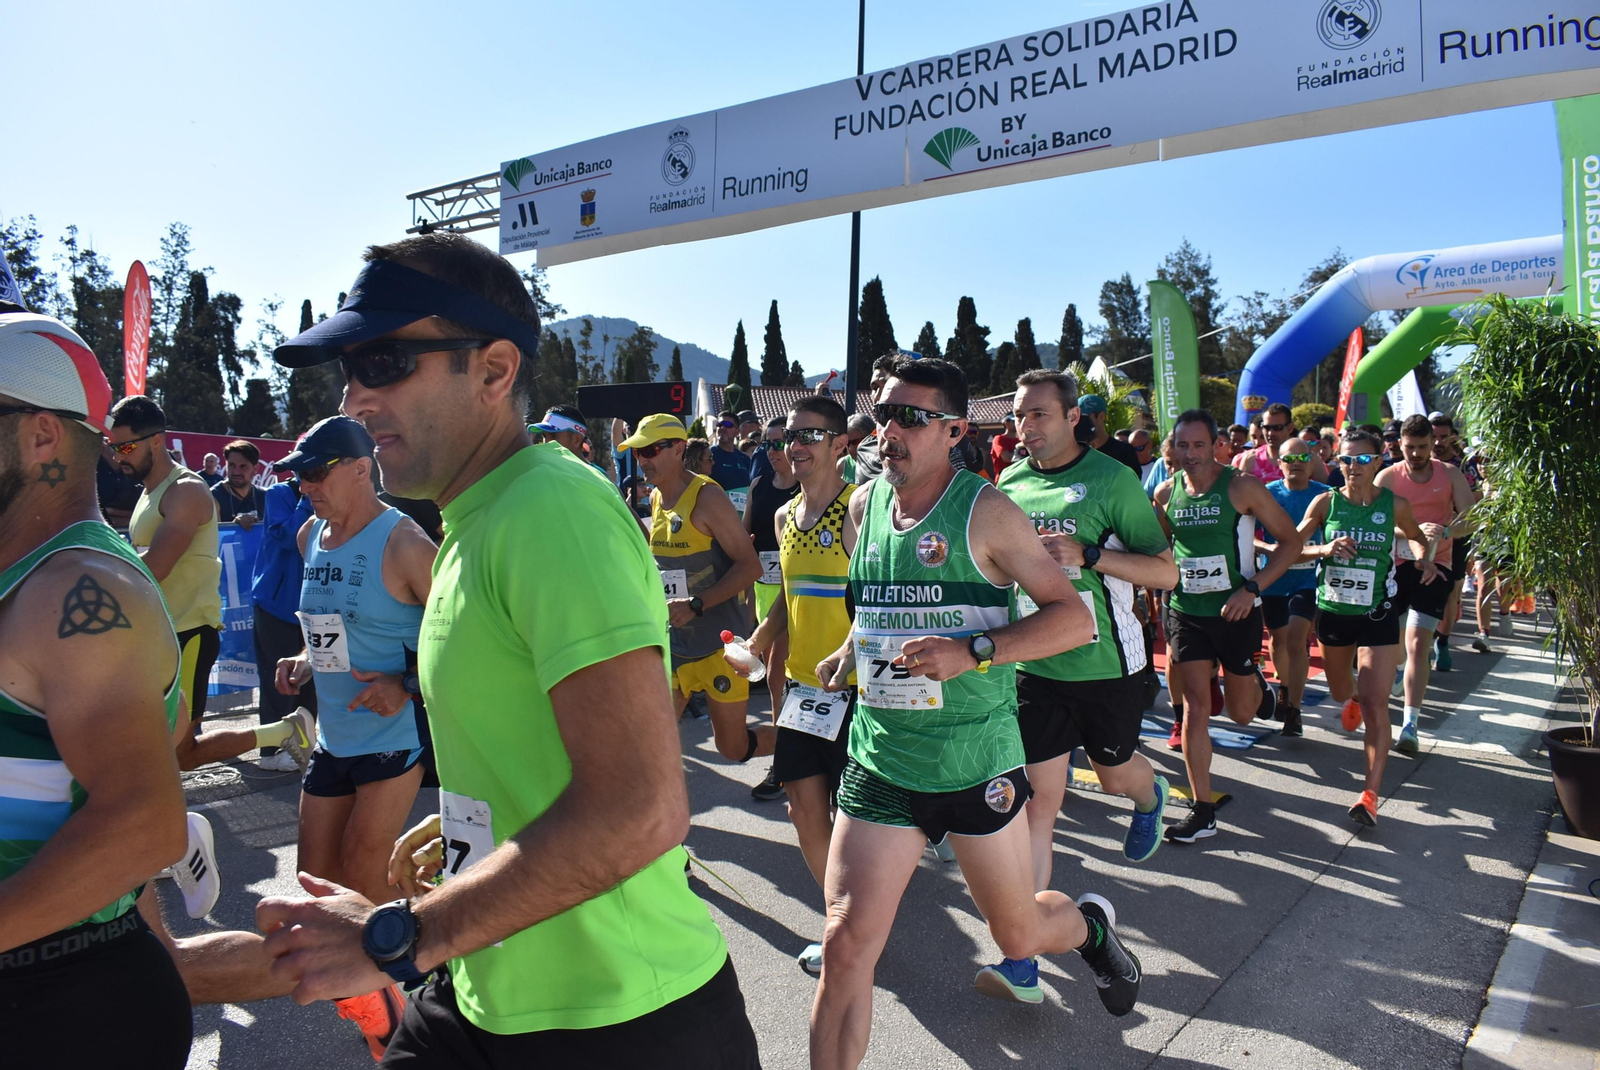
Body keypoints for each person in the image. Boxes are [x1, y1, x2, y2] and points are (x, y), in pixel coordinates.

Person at [262, 233, 759, 1066]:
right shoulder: (472, 520)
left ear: (495, 371)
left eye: (383, 362)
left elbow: (640, 809)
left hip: (620, 1019)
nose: (353, 399)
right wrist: (472, 831)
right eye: (347, 372)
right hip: (494, 991)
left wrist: (401, 934)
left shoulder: (547, 511)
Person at [811, 357, 1141, 1070]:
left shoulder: (988, 512)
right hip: (883, 759)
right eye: (883, 413)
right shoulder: (865, 508)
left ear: (955, 429)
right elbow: (877, 605)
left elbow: (1072, 621)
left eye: (912, 417)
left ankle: (1086, 931)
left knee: (1017, 934)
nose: (889, 429)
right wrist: (848, 652)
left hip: (974, 762)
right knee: (845, 945)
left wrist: (977, 649)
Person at [0, 313, 192, 1068]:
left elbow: (144, 825)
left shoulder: (75, 590)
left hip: (59, 1006)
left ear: (42, 436)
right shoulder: (35, 579)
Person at [981, 369, 1178, 1001]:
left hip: (1107, 670)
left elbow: (1166, 573)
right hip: (1036, 670)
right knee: (1039, 805)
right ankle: (1023, 951)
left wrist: (1089, 555)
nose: (1025, 426)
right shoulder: (1008, 484)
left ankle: (1149, 794)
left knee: (1115, 775)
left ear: (1072, 418)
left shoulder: (1113, 480)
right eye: (1018, 415)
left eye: (1038, 414)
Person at [110, 397, 310, 773]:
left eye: (125, 446)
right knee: (143, 743)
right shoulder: (148, 492)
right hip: (155, 633)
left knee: (180, 753)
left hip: (187, 634)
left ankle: (284, 731)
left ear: (156, 440)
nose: (118, 455)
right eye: (113, 446)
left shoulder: (186, 490)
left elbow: (155, 567)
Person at [740, 396, 857, 974]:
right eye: (791, 435)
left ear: (841, 445)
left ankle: (856, 916)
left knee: (863, 819)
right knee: (803, 808)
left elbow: (878, 594)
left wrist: (849, 649)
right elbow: (788, 598)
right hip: (805, 691)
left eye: (813, 434)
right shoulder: (785, 516)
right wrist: (758, 644)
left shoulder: (857, 509)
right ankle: (842, 923)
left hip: (860, 690)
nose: (797, 444)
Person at [1153, 409, 1302, 843]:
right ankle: (1203, 810)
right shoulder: (1165, 493)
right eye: (1183, 445)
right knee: (1197, 709)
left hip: (1236, 611)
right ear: (1173, 448)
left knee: (1240, 713)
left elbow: (1290, 543)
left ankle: (1257, 684)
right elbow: (1162, 547)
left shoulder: (1242, 488)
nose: (1190, 454)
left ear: (1217, 445)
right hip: (1185, 612)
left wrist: (1252, 589)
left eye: (1200, 445)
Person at [1297, 428, 1439, 826]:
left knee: (1378, 705)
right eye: (1346, 459)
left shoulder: (1395, 504)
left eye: (1362, 460)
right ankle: (1353, 696)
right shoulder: (1325, 503)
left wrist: (1423, 558)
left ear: (1378, 462)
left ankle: (1370, 794)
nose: (1352, 467)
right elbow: (1293, 547)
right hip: (1334, 611)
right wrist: (1324, 548)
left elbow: (1414, 539)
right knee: (1342, 690)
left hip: (1378, 609)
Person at [626, 413, 771, 763]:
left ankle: (804, 747)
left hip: (717, 646)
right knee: (648, 743)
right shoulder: (657, 499)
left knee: (732, 748)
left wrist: (694, 604)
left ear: (678, 449)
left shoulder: (707, 497)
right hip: (675, 644)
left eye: (651, 450)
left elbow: (750, 566)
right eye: (638, 452)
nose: (643, 459)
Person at [1374, 414, 1473, 755]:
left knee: (1418, 642)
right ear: (1398, 445)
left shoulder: (1449, 474)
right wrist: (1414, 531)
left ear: (1434, 444)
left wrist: (1444, 531)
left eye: (1422, 447)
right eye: (1409, 447)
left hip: (1436, 567)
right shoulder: (1387, 476)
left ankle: (1410, 725)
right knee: (1393, 643)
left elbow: (1471, 519)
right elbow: (1376, 522)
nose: (1415, 454)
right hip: (1396, 566)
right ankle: (1399, 672)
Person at [1253, 437, 1329, 736]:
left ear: (1311, 461)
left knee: (1298, 640)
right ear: (1278, 463)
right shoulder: (1265, 494)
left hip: (1307, 577)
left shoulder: (1324, 495)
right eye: (1289, 459)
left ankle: (1294, 711)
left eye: (1301, 458)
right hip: (1272, 577)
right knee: (1278, 640)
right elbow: (1247, 534)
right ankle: (1284, 688)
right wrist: (1267, 548)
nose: (1295, 464)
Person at [744, 416, 799, 801]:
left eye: (780, 442)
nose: (774, 451)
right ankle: (793, 753)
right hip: (762, 589)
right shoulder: (759, 486)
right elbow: (745, 537)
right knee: (773, 675)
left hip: (794, 593)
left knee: (778, 676)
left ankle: (784, 761)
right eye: (768, 444)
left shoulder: (805, 490)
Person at [253, 459, 318, 771]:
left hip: (312, 606)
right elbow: (287, 537)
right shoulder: (279, 493)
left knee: (314, 681)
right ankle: (271, 752)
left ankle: (305, 746)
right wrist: (308, 500)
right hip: (276, 606)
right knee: (277, 680)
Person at [1234, 404, 1328, 484]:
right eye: (1266, 428)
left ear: (1290, 428)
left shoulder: (1308, 459)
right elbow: (1240, 497)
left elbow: (1326, 495)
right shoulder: (1251, 459)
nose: (1271, 433)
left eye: (1278, 427)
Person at [530, 404, 607, 479]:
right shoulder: (541, 474)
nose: (546, 442)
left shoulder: (600, 479)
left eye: (553, 436)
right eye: (544, 436)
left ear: (577, 439)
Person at [1075, 394, 1142, 474]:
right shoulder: (1076, 451)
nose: (1080, 422)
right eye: (1077, 418)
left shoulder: (1124, 451)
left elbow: (1133, 482)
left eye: (1085, 417)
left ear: (1101, 417)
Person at [210, 439, 266, 529]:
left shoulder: (265, 496)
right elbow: (214, 538)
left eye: (243, 466)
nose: (236, 472)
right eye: (232, 465)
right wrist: (233, 526)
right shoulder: (214, 497)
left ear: (255, 468)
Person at [708, 409, 752, 512]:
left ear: (737, 431)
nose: (722, 428)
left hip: (741, 518)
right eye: (719, 424)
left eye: (728, 425)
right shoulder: (708, 455)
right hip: (716, 514)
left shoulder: (744, 459)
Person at [840, 413, 873, 483]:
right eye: (848, 444)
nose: (851, 448)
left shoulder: (886, 467)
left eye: (857, 442)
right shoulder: (843, 466)